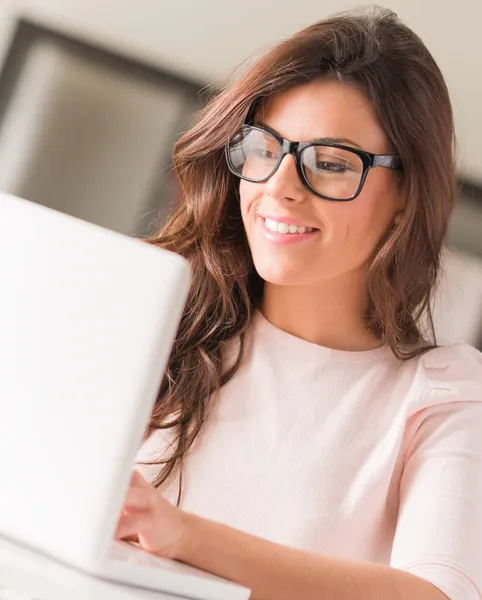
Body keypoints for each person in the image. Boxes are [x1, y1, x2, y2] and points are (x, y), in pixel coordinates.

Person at [115, 6, 482, 600]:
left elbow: (439, 593)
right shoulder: (150, 311)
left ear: (406, 195)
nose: (279, 187)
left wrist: (183, 535)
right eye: (263, 148)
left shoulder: (440, 393)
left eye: (332, 164)